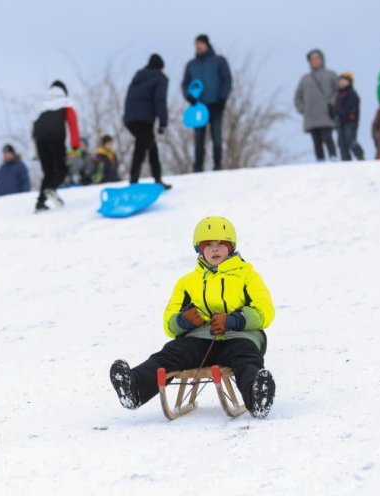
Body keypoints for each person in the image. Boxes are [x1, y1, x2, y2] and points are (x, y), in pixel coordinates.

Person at [109, 216, 277, 419]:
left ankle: (257, 396)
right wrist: (184, 321)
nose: (215, 249)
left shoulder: (247, 275)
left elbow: (265, 311)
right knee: (172, 353)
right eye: (209, 245)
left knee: (246, 360)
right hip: (200, 340)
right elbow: (169, 323)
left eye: (220, 244)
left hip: (239, 337)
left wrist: (234, 320)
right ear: (199, 249)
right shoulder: (187, 283)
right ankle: (133, 388)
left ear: (231, 247)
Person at [182, 35, 232, 172]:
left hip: (215, 103)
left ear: (207, 45)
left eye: (201, 44)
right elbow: (185, 83)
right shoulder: (191, 65)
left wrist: (222, 98)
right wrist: (189, 97)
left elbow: (226, 80)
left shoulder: (219, 61)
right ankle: (198, 166)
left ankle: (217, 164)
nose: (198, 47)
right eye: (196, 44)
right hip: (198, 107)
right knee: (198, 138)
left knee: (216, 136)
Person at [124, 53, 172, 188]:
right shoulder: (160, 78)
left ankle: (157, 178)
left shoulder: (138, 76)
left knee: (151, 146)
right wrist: (163, 122)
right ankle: (134, 181)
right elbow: (160, 100)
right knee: (141, 148)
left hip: (130, 118)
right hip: (144, 119)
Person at [32, 80, 80, 212]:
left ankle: (40, 203)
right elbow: (72, 123)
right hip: (55, 138)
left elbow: (34, 126)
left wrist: (34, 151)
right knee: (62, 169)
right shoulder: (66, 103)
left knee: (48, 172)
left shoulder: (42, 106)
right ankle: (51, 189)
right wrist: (75, 145)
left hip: (40, 139)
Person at [294, 49, 339, 161]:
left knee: (328, 137)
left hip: (326, 113)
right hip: (311, 115)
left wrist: (332, 103)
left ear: (322, 59)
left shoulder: (331, 75)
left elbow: (338, 91)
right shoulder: (305, 79)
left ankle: (333, 158)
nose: (314, 61)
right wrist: (303, 109)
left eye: (317, 58)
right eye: (312, 59)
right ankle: (320, 160)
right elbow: (297, 97)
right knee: (316, 140)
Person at [335, 72, 365, 161]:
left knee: (350, 140)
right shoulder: (338, 95)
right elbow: (337, 108)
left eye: (344, 81)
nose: (342, 83)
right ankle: (346, 160)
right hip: (340, 122)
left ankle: (360, 155)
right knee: (341, 143)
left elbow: (353, 107)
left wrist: (346, 114)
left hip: (350, 122)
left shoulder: (352, 94)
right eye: (340, 81)